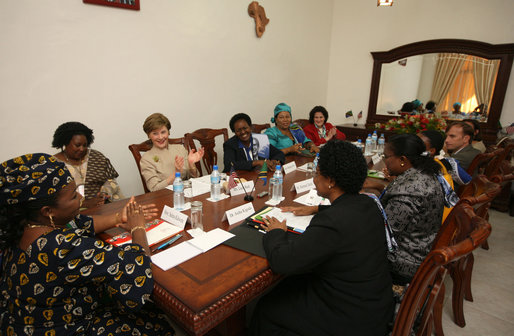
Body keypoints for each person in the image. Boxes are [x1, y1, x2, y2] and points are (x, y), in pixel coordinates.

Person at [0, 153, 174, 335]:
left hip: (20, 320)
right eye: (73, 196)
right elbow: (136, 279)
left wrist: (118, 217)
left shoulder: (23, 225)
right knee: (156, 322)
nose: (80, 198)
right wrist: (137, 226)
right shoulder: (62, 247)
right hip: (64, 328)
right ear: (48, 211)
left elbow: (82, 222)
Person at [250, 140, 394, 336]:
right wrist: (318, 208)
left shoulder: (332, 221)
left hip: (350, 320)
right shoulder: (369, 203)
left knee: (266, 307)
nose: (315, 179)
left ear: (331, 181)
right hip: (375, 303)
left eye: (317, 174)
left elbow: (283, 262)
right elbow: (346, 211)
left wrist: (276, 231)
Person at [379, 134, 445, 285]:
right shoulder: (424, 173)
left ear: (403, 160)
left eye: (386, 156)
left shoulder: (408, 191)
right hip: (421, 247)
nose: (384, 161)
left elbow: (383, 233)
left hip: (403, 263)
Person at [52, 121, 124, 209]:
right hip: (73, 210)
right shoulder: (53, 164)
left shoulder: (96, 156)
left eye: (85, 145)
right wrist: (85, 203)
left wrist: (104, 194)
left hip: (104, 204)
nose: (82, 149)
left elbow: (110, 180)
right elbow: (56, 198)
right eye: (77, 145)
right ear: (65, 143)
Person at [140, 113, 204, 192]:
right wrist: (175, 174)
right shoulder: (146, 159)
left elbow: (195, 180)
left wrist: (191, 164)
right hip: (165, 198)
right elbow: (154, 189)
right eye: (155, 133)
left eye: (163, 132)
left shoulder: (180, 149)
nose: (160, 137)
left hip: (187, 194)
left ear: (168, 132)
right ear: (148, 135)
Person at [418, 130, 471, 221]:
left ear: (431, 150)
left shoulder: (445, 163)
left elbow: (468, 181)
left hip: (432, 218)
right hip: (443, 214)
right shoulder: (446, 162)